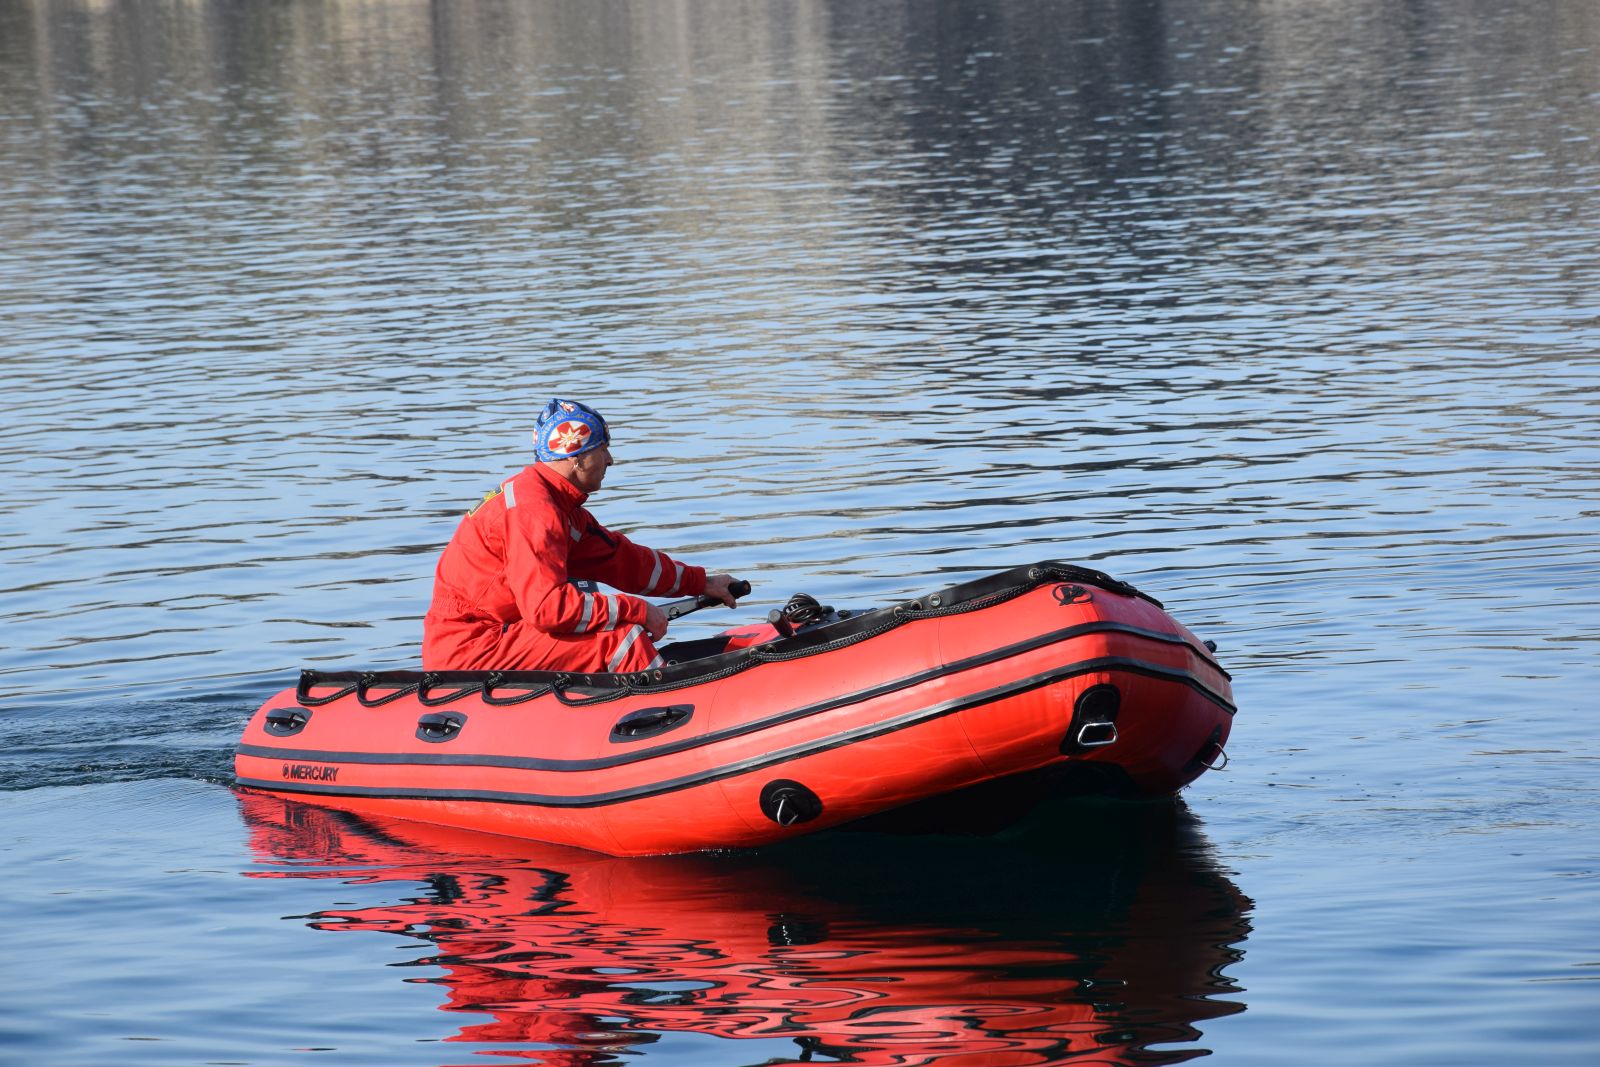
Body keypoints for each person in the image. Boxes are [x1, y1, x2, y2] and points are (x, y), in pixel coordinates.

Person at [422, 398, 741, 674]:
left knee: (611, 621)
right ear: (576, 456)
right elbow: (546, 609)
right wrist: (637, 609)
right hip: (471, 646)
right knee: (619, 639)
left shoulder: (556, 504)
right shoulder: (535, 511)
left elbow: (623, 561)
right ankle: (673, 714)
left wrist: (701, 582)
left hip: (497, 634)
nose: (610, 460)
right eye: (603, 448)